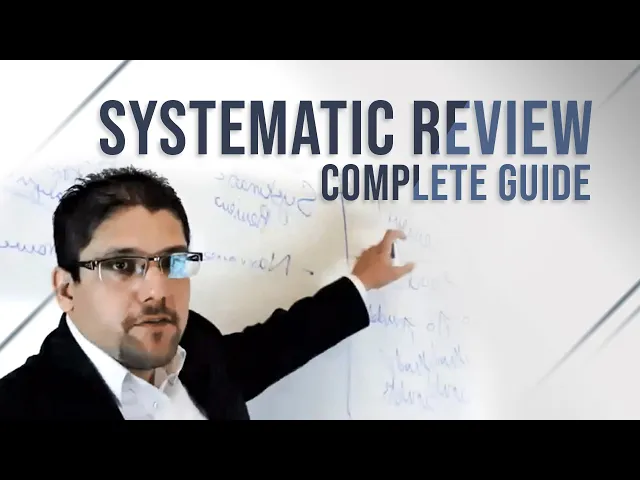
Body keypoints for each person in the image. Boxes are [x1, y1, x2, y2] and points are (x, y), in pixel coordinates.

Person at [0, 166, 414, 420]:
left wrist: (360, 283)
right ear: (67, 289)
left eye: (173, 262)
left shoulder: (196, 344)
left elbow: (275, 346)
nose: (157, 290)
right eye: (123, 266)